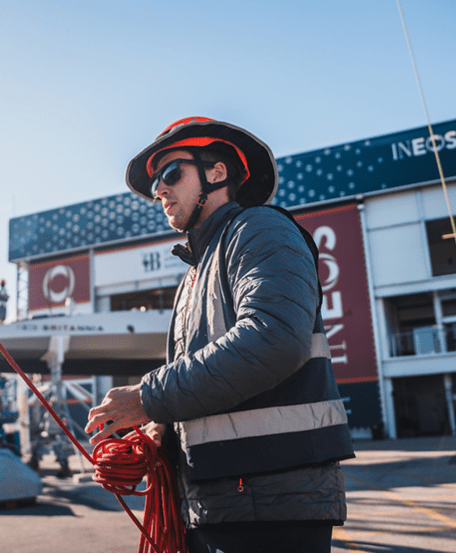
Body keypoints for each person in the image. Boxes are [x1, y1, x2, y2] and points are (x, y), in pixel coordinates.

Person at [85, 117, 354, 553]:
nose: (159, 190)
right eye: (156, 182)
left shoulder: (261, 229)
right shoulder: (196, 273)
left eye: (171, 173)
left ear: (217, 173)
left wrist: (148, 397)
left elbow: (273, 338)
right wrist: (161, 430)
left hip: (271, 504)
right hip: (220, 501)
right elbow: (207, 385)